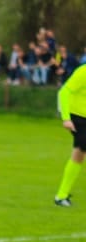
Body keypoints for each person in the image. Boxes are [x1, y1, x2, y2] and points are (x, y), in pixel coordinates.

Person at [53, 62, 86, 207]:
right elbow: (63, 92)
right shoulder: (83, 72)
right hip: (78, 117)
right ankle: (61, 196)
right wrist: (66, 118)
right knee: (80, 151)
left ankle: (61, 196)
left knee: (79, 154)